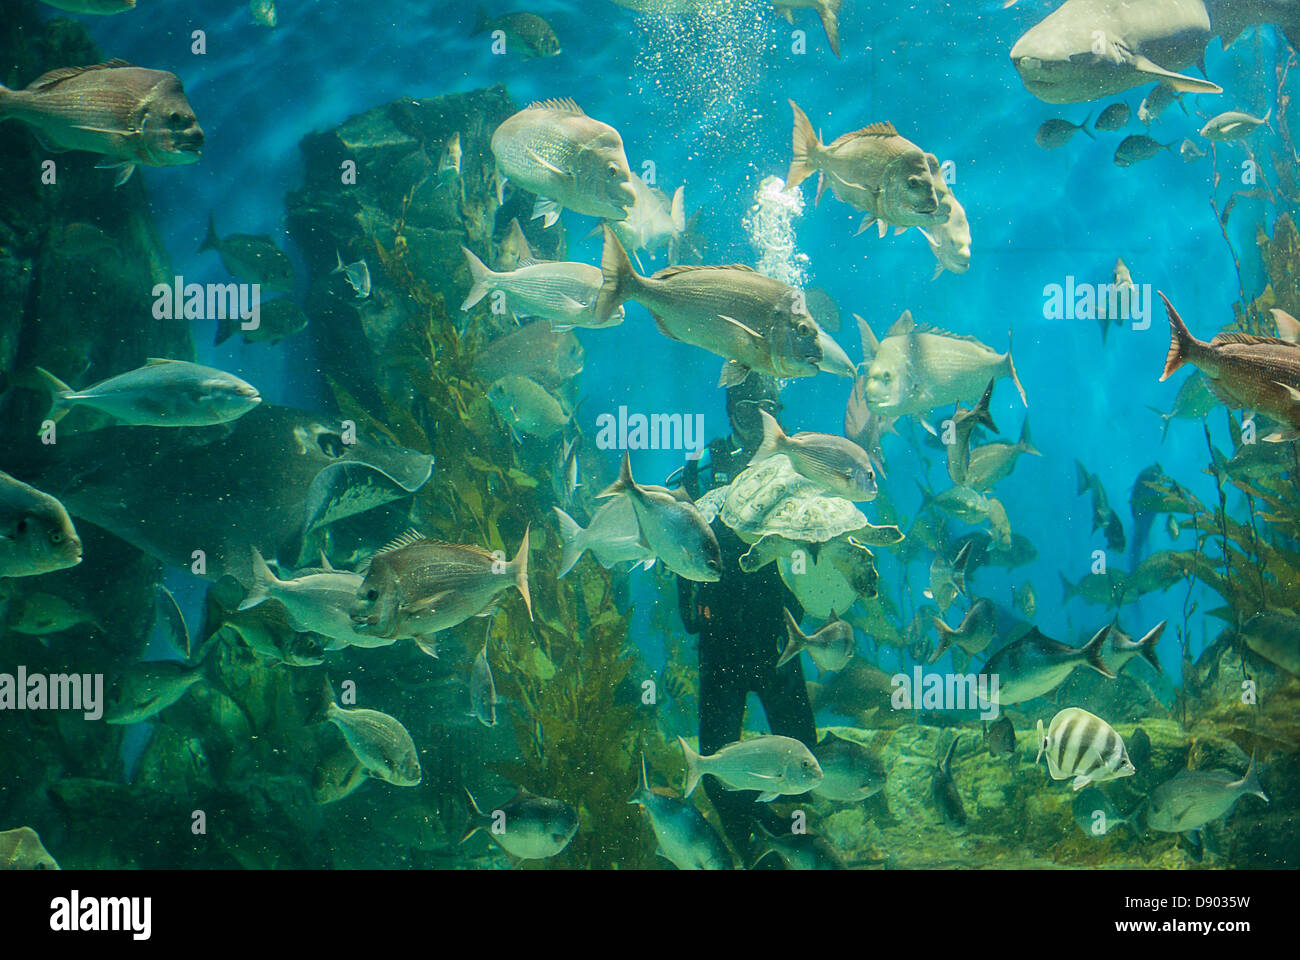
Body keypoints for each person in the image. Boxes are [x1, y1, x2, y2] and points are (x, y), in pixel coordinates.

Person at [674, 375, 818, 864]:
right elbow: (677, 552)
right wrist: (693, 614)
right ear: (729, 407)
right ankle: (751, 849)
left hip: (779, 641)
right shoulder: (702, 472)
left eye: (766, 406)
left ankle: (789, 850)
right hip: (720, 644)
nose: (755, 418)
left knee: (803, 763)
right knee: (714, 766)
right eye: (744, 407)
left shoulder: (798, 464)